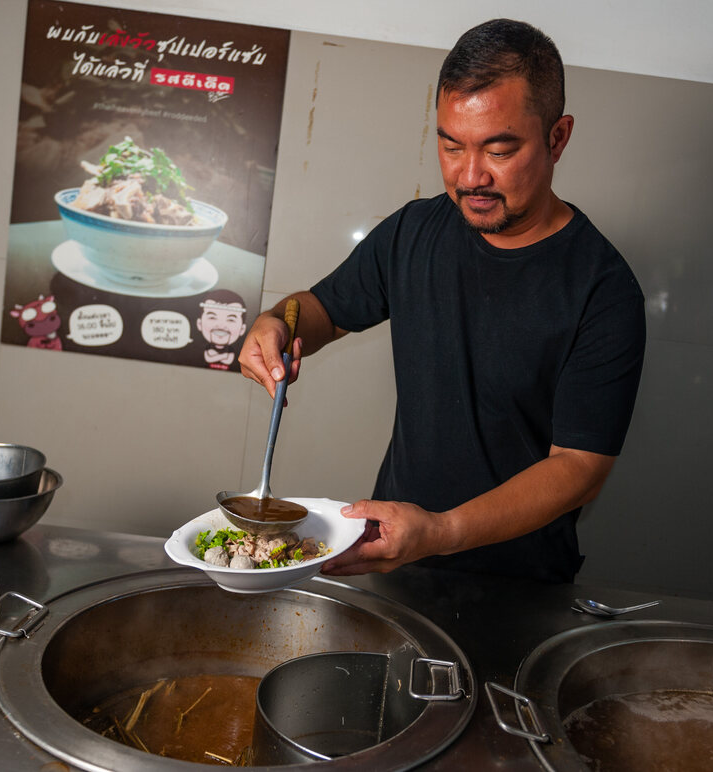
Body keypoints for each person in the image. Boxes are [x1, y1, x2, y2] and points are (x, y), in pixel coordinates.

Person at [239, 18, 645, 583]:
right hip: (393, 557)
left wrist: (443, 531)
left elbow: (579, 468)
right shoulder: (414, 231)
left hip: (517, 585)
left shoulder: (603, 289)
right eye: (451, 146)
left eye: (499, 150)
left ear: (558, 137)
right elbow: (321, 310)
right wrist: (275, 323)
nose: (470, 176)